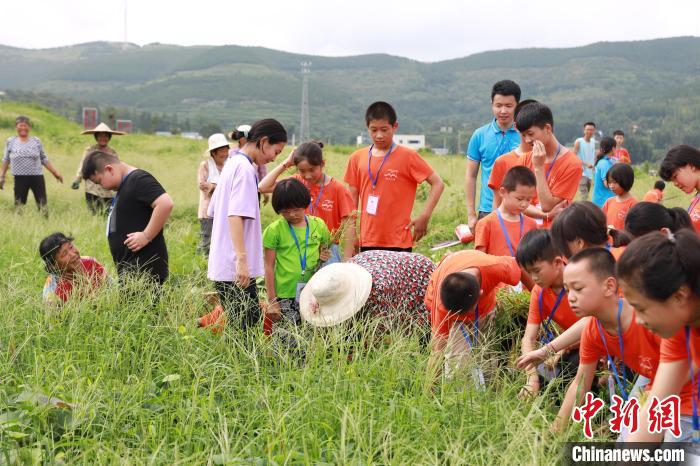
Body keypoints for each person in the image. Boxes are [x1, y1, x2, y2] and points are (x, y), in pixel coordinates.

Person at [525, 248, 661, 434]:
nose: (571, 297)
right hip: (657, 379)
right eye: (567, 290)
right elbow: (580, 385)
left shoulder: (649, 320)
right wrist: (553, 434)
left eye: (578, 289)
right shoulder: (592, 330)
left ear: (609, 286)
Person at [618, 230, 700, 449]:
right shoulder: (681, 329)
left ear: (679, 296)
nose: (637, 321)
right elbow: (656, 407)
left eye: (641, 309)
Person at [208, 119, 287, 329]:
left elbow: (213, 211)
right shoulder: (244, 169)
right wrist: (242, 260)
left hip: (226, 263)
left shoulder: (232, 163)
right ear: (264, 142)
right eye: (276, 151)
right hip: (236, 267)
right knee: (246, 330)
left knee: (242, 326)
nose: (272, 157)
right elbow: (234, 215)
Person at [344, 101, 444, 252]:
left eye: (384, 130)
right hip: (367, 240)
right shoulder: (357, 157)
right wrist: (351, 238)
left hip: (399, 241)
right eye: (374, 130)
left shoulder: (408, 156)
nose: (379, 135)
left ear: (394, 126)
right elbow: (351, 202)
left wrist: (425, 216)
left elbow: (438, 183)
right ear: (367, 127)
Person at [425, 250, 523, 382]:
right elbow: (437, 349)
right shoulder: (443, 305)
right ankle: (457, 395)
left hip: (486, 308)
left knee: (488, 356)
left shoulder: (495, 267)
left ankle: (489, 391)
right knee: (457, 366)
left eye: (469, 311)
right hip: (451, 314)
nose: (467, 318)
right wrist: (428, 388)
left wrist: (538, 299)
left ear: (480, 293)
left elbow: (522, 266)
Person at [81, 150, 174, 286]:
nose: (103, 187)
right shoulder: (125, 185)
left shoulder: (138, 179)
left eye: (100, 181)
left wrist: (146, 236)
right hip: (132, 269)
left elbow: (165, 203)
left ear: (109, 169)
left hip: (145, 269)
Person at [259, 141, 356, 261]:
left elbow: (350, 224)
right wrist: (286, 163)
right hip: (298, 247)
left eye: (312, 170)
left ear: (322, 164)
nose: (308, 175)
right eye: (302, 171)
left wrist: (346, 259)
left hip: (326, 251)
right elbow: (263, 187)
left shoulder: (337, 189)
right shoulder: (295, 182)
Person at [515, 230, 581, 397]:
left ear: (557, 262)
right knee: (544, 380)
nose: (533, 278)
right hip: (568, 346)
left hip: (599, 346)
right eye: (528, 272)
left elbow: (595, 325)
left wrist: (558, 350)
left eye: (537, 271)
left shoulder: (580, 281)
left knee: (570, 370)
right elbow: (528, 338)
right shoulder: (539, 292)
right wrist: (531, 379)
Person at [299, 250, 435, 331]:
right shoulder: (334, 281)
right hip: (381, 266)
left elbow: (379, 334)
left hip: (417, 274)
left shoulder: (378, 292)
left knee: (422, 329)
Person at [263, 178, 331, 327]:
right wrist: (272, 300)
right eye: (286, 212)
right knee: (287, 338)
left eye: (296, 210)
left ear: (305, 204)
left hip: (314, 292)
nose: (292, 215)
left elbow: (325, 249)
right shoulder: (274, 230)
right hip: (285, 295)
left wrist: (324, 255)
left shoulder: (318, 225)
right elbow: (268, 266)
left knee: (310, 334)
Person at [465, 80, 522, 229]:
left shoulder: (525, 135)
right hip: (487, 210)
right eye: (498, 105)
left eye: (509, 106)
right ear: (492, 104)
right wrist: (471, 214)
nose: (503, 111)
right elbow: (471, 176)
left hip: (520, 209)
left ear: (517, 105)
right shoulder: (479, 135)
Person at [516, 102, 583, 228]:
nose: (527, 140)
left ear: (547, 128)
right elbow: (515, 202)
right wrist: (545, 215)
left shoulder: (572, 163)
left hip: (554, 234)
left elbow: (547, 205)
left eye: (530, 134)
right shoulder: (524, 159)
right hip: (524, 232)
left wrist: (539, 168)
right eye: (523, 135)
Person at [0, 116, 63, 213]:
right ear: (16, 127)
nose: (23, 128)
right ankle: (18, 224)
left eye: (26, 126)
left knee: (42, 203)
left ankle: (44, 223)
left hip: (37, 177)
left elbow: (43, 158)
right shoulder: (11, 141)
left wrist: (55, 173)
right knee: (19, 204)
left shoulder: (36, 141)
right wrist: (2, 176)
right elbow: (6, 159)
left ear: (29, 127)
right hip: (19, 177)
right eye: (20, 126)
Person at [475, 166, 538, 258]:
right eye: (519, 199)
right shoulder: (486, 223)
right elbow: (479, 259)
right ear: (503, 192)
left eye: (529, 200)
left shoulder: (532, 224)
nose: (524, 204)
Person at [40, 232, 108, 305]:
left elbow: (112, 288)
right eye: (64, 254)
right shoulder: (52, 292)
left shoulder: (91, 263)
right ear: (53, 265)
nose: (73, 254)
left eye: (71, 247)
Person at [72, 122, 123, 214]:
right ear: (96, 137)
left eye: (106, 136)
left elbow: (117, 169)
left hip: (109, 189)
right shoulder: (90, 150)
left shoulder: (112, 152)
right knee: (93, 212)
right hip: (92, 188)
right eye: (100, 136)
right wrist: (77, 179)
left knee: (107, 214)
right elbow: (83, 165)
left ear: (109, 137)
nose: (103, 138)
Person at [197, 133, 229, 256]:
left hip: (225, 210)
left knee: (222, 241)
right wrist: (221, 188)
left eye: (226, 149)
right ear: (213, 152)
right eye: (221, 150)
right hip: (207, 212)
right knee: (206, 241)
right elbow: (203, 185)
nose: (224, 153)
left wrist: (214, 186)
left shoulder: (229, 164)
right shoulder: (205, 165)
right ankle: (201, 267)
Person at [659, 144, 700, 233]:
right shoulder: (696, 198)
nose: (675, 184)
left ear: (691, 166)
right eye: (672, 180)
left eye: (675, 176)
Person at [230, 124, 270, 205]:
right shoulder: (232, 153)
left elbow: (262, 172)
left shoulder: (257, 153)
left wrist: (265, 192)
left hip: (254, 189)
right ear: (242, 138)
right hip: (235, 188)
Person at [601, 163, 638, 230]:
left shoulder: (633, 205)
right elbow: (601, 221)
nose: (611, 186)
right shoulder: (609, 202)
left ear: (625, 180)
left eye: (614, 182)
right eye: (609, 182)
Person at [590, 136, 616, 208]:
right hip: (604, 202)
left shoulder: (602, 161)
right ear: (613, 148)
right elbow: (607, 184)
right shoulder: (605, 164)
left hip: (600, 201)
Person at [573, 122, 597, 199]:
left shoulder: (593, 141)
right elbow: (573, 157)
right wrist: (585, 164)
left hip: (590, 173)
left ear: (594, 131)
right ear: (584, 130)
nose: (589, 131)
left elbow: (593, 155)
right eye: (588, 129)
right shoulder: (579, 142)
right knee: (584, 195)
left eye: (592, 130)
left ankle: (583, 208)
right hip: (581, 172)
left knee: (587, 193)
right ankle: (583, 210)